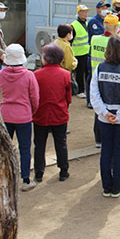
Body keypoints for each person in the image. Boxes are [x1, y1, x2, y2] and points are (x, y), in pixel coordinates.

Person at [90, 35, 120, 198]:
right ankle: (117, 187)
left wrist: (104, 112)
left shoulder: (99, 69)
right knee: (119, 151)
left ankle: (106, 187)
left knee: (106, 150)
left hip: (104, 117)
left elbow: (94, 94)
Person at [0, 44, 39, 191]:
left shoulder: (1, 74)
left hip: (5, 114)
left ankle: (4, 177)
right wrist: (32, 111)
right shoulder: (29, 75)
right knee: (25, 148)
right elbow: (35, 97)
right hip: (23, 115)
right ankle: (26, 179)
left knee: (4, 148)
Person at [33, 43, 72, 183]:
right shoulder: (65, 74)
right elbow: (68, 98)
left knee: (39, 144)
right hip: (60, 114)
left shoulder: (36, 75)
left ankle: (39, 173)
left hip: (40, 114)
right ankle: (63, 171)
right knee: (61, 143)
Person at [90, 14, 120, 147]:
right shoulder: (115, 42)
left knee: (98, 107)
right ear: (115, 27)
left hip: (95, 76)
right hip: (110, 77)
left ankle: (98, 139)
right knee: (110, 107)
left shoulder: (94, 39)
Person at [70, 5, 91, 98]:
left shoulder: (86, 23)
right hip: (78, 53)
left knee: (87, 71)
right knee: (79, 72)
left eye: (87, 12)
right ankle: (80, 91)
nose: (86, 14)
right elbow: (70, 41)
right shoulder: (74, 25)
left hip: (86, 52)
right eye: (84, 12)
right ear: (79, 13)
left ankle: (86, 89)